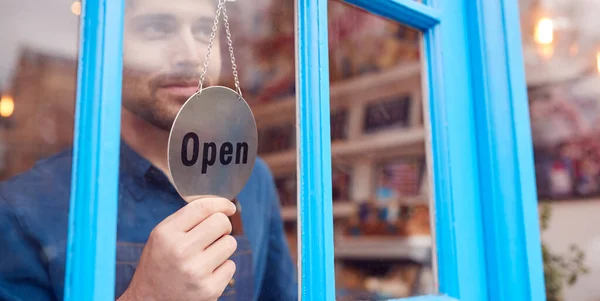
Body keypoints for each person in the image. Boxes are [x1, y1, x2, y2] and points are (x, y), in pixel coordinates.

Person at [0, 0, 298, 300]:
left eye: (205, 30)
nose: (191, 56)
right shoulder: (23, 210)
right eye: (157, 28)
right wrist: (145, 296)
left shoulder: (253, 178)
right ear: (108, 44)